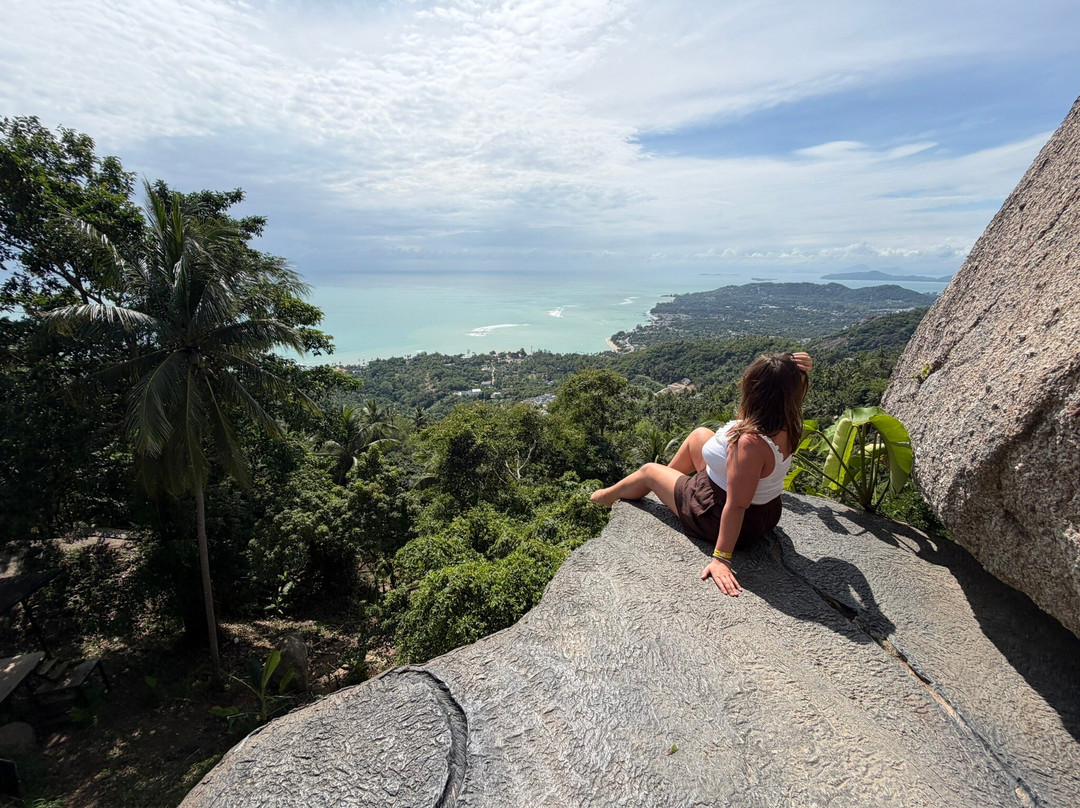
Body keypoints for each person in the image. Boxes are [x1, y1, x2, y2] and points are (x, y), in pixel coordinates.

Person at [590, 352, 812, 597]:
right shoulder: (786, 422)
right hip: (764, 511)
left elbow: (737, 505)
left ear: (755, 391)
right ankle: (670, 486)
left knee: (649, 471)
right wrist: (794, 370)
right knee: (699, 435)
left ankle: (605, 497)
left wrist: (722, 558)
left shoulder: (750, 443)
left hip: (716, 514)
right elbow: (782, 387)